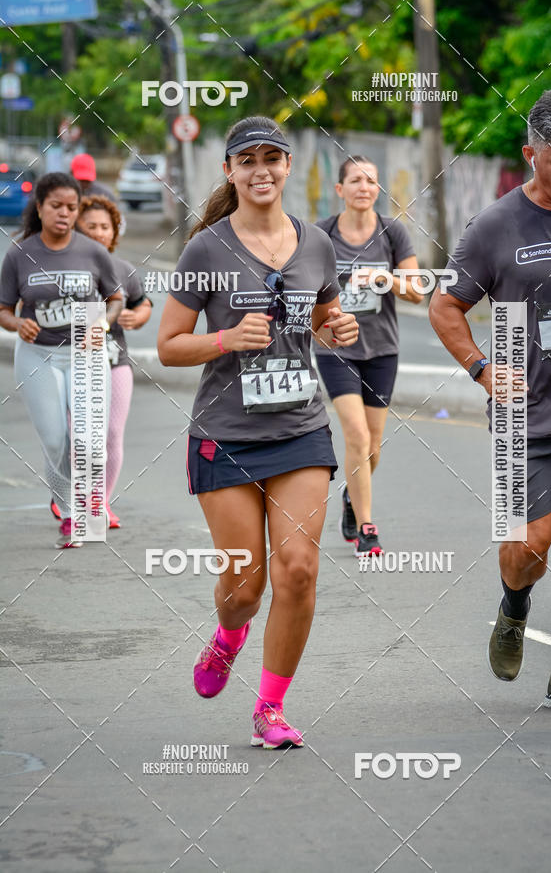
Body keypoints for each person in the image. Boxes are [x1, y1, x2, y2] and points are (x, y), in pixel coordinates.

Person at [157, 116, 358, 748]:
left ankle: (270, 709)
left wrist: (336, 328)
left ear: (289, 166)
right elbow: (167, 346)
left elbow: (321, 314)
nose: (262, 169)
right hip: (227, 434)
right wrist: (223, 338)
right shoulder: (206, 249)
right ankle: (228, 636)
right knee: (245, 588)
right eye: (249, 160)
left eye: (273, 158)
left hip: (301, 429)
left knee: (298, 570)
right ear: (230, 171)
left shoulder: (317, 244)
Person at [429, 86, 551, 711]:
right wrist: (481, 367)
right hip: (521, 417)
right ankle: (513, 607)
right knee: (531, 544)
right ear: (532, 154)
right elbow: (445, 305)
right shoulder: (494, 227)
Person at [0, 172, 122, 547]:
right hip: (38, 355)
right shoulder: (20, 253)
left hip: (86, 353)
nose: (64, 214)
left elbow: (116, 298)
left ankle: (90, 507)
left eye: (71, 207)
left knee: (90, 442)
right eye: (56, 206)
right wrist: (18, 323)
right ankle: (69, 513)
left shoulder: (92, 252)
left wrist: (103, 321)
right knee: (55, 441)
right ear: (39, 208)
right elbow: (3, 309)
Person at [315, 156, 421, 557]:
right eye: (355, 180)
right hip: (335, 347)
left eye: (371, 181)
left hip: (381, 350)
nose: (364, 187)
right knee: (356, 436)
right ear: (339, 189)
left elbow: (417, 290)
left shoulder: (392, 233)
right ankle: (367, 529)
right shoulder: (322, 234)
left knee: (373, 446)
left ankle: (350, 496)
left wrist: (386, 278)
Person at [75, 195, 152, 528]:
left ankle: (100, 502)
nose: (98, 232)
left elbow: (142, 302)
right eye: (90, 226)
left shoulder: (122, 269)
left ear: (113, 233)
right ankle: (75, 497)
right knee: (77, 438)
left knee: (110, 434)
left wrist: (140, 316)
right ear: (77, 228)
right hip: (71, 363)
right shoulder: (62, 268)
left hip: (114, 359)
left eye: (104, 227)